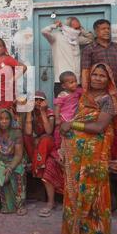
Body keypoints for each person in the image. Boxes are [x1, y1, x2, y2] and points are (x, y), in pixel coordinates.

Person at [60, 63, 117, 234]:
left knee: (94, 190)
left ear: (108, 79)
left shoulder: (108, 100)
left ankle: (94, 231)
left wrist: (72, 124)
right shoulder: (83, 95)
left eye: (102, 76)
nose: (98, 78)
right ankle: (74, 230)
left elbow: (99, 127)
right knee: (76, 188)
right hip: (78, 155)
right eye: (95, 74)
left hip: (96, 152)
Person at [38, 71, 83, 218]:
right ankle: (50, 202)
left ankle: (74, 203)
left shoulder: (79, 93)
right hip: (63, 124)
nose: (74, 84)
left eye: (75, 81)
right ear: (63, 85)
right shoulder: (61, 96)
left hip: (75, 135)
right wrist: (57, 118)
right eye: (70, 82)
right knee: (51, 162)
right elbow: (57, 113)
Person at [0, 109, 27, 215]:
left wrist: (10, 168)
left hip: (14, 161)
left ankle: (19, 205)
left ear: (10, 120)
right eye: (1, 118)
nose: (4, 121)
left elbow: (18, 155)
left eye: (7, 119)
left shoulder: (16, 132)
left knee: (19, 171)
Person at [42, 17, 94, 97]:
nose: (78, 30)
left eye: (79, 27)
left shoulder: (76, 39)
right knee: (63, 108)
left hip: (77, 82)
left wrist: (81, 30)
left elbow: (90, 38)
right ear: (67, 27)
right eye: (75, 28)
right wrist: (55, 25)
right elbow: (44, 31)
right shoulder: (56, 37)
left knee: (78, 108)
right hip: (62, 83)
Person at [81, 19, 117, 95]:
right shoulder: (89, 49)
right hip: (97, 90)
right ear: (96, 31)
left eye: (108, 29)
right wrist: (85, 92)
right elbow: (85, 71)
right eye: (103, 29)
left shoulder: (115, 46)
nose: (107, 31)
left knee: (116, 107)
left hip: (116, 88)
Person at [23, 91, 55, 177]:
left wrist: (42, 112)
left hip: (47, 141)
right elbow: (28, 132)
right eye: (35, 100)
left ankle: (37, 166)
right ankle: (35, 163)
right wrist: (29, 111)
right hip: (36, 139)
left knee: (45, 139)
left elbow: (49, 131)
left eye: (40, 100)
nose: (38, 102)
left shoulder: (49, 112)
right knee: (25, 137)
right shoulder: (31, 112)